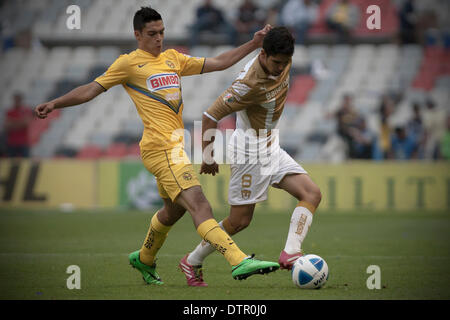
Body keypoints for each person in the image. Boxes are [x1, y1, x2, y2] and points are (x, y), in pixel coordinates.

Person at [35, 7, 279, 285]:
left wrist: (253, 43)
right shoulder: (128, 64)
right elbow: (91, 89)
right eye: (152, 34)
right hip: (160, 148)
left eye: (162, 32)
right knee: (200, 205)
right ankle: (238, 260)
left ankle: (145, 258)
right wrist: (55, 103)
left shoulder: (172, 59)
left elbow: (219, 62)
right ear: (137, 35)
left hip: (175, 147)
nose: (159, 38)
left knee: (173, 211)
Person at [179, 27, 322, 287]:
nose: (281, 68)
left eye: (285, 63)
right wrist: (208, 156)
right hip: (248, 153)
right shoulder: (248, 84)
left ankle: (290, 252)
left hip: (271, 145)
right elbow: (210, 116)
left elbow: (282, 39)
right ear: (264, 55)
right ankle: (192, 260)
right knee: (239, 221)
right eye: (276, 63)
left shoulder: (282, 58)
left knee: (312, 194)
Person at [5, 92, 33, 158]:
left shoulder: (26, 110)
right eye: (15, 99)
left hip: (23, 142)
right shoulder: (9, 111)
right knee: (11, 163)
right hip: (12, 142)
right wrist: (20, 122)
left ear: (21, 100)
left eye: (18, 99)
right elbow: (6, 126)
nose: (16, 101)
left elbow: (26, 124)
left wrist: (13, 122)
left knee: (25, 162)